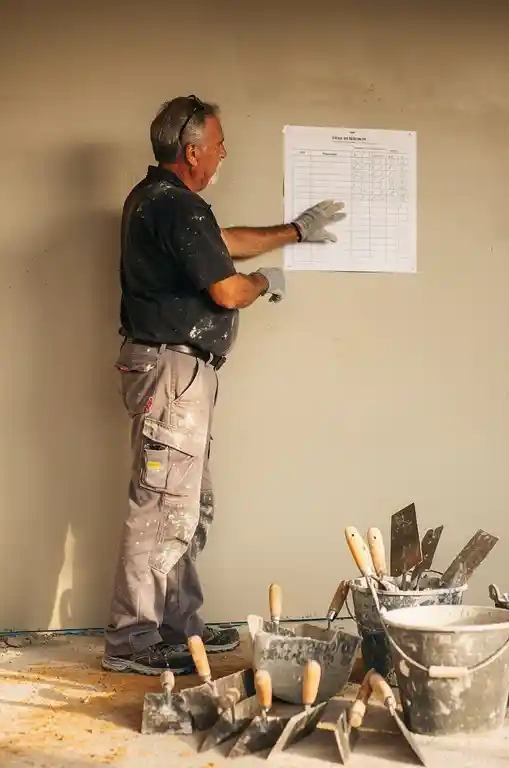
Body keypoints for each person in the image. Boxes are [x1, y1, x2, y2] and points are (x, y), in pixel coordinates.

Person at [102, 95, 345, 675]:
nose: (223, 152)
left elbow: (222, 239)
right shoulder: (176, 207)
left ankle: (177, 625)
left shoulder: (161, 202)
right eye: (218, 143)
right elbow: (226, 289)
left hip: (177, 373)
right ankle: (132, 639)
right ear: (192, 151)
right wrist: (263, 281)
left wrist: (295, 231)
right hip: (173, 370)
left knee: (185, 502)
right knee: (162, 502)